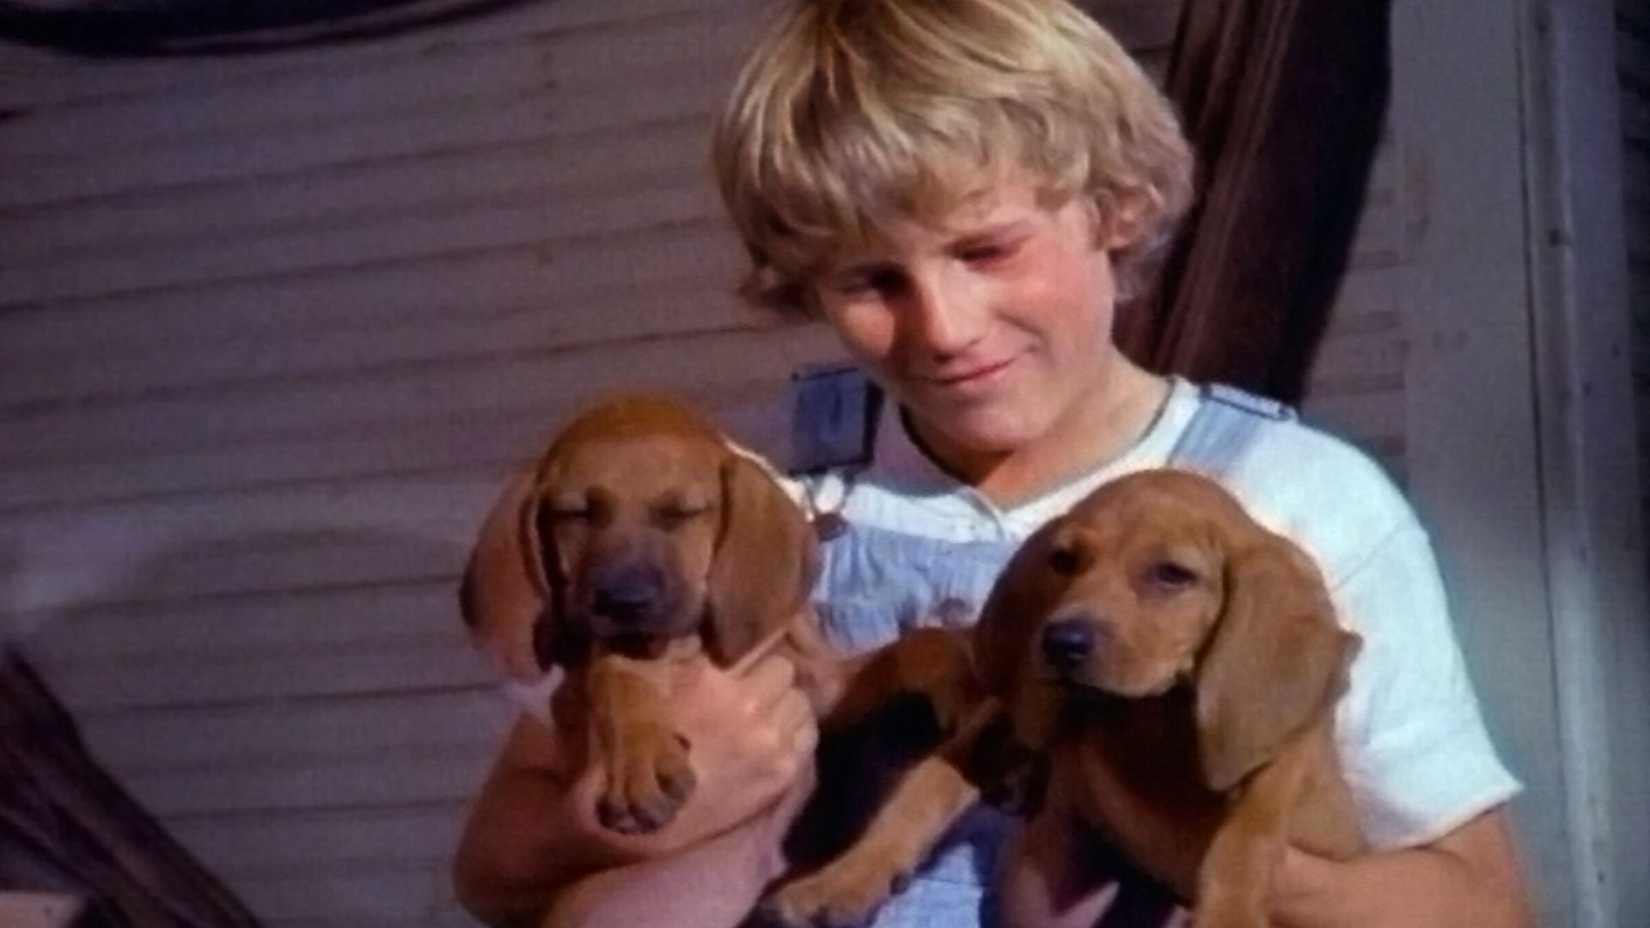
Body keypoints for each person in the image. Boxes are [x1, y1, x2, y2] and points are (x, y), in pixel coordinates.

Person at [452, 0, 1536, 925]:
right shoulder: (774, 510)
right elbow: (494, 867)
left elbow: (1484, 904)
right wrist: (658, 813)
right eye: (871, 282)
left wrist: (1190, 847)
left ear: (1116, 205)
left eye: (987, 248)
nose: (945, 326)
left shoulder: (1298, 497)